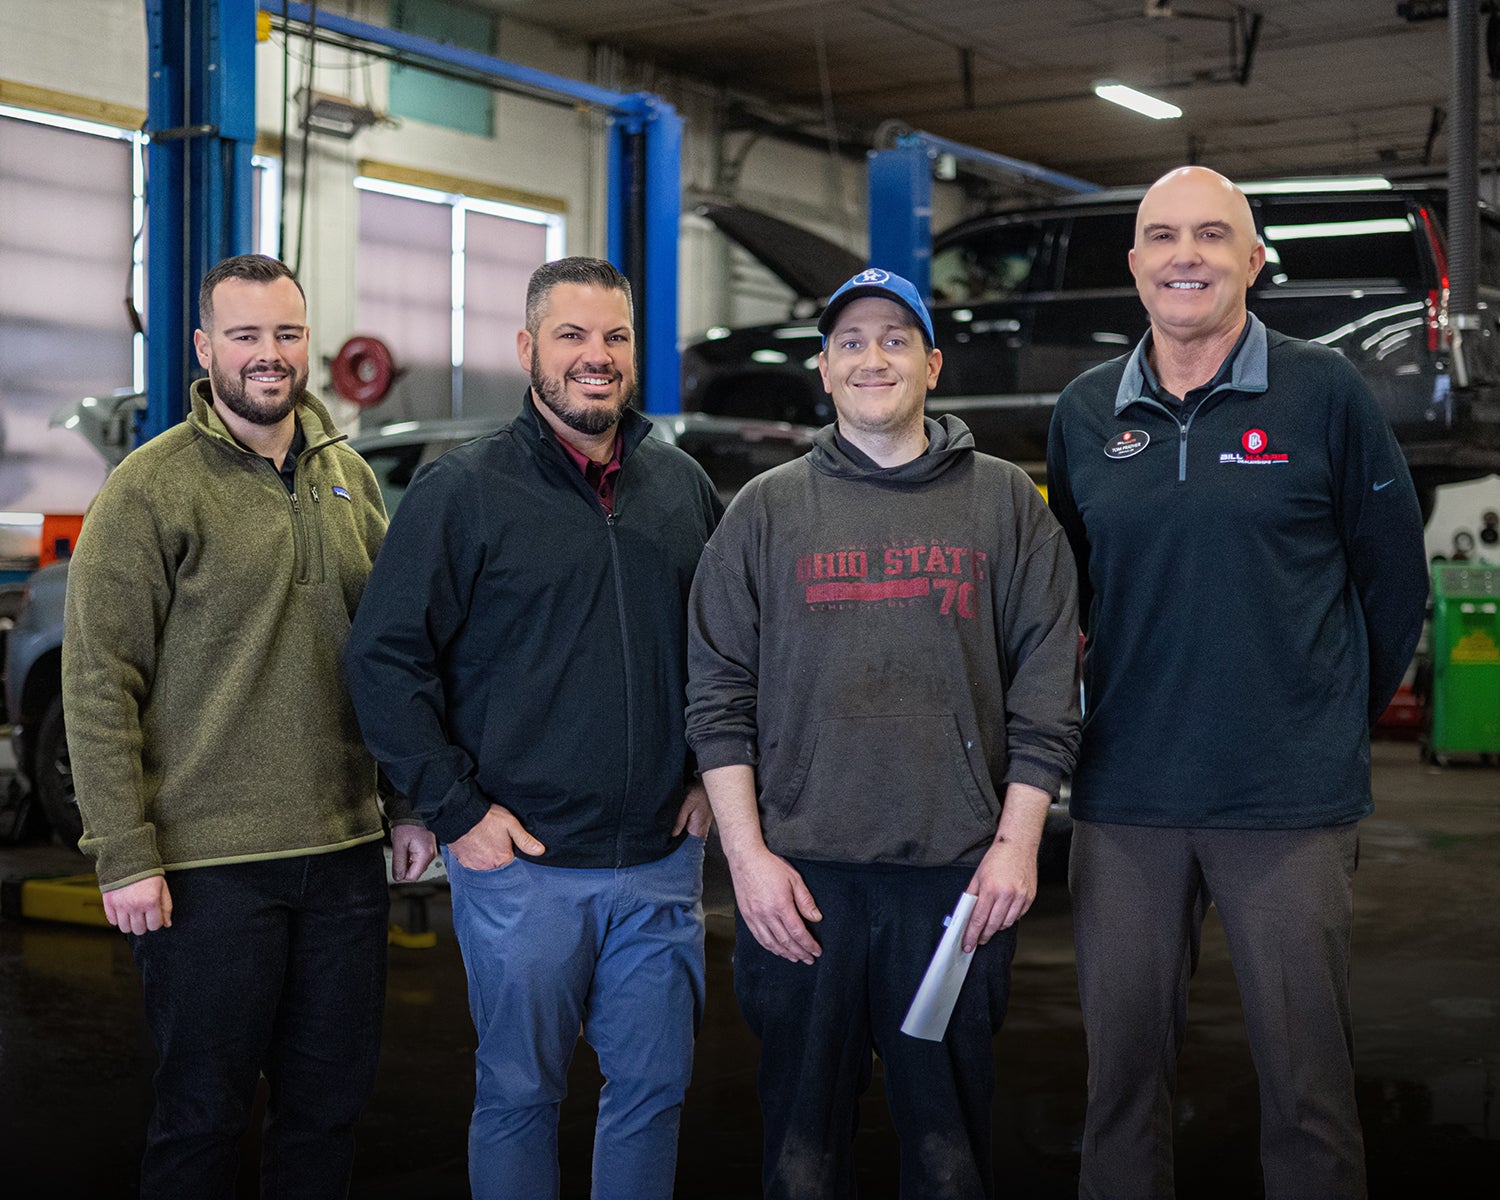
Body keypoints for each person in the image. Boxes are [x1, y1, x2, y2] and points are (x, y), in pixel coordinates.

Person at [1046, 167, 1430, 1200]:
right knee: (1120, 1088)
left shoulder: (1327, 393)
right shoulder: (1085, 413)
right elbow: (1070, 594)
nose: (1187, 255)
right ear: (1133, 265)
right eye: (1163, 236)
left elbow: (1396, 580)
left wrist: (1323, 723)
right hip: (1128, 800)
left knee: (1308, 1097)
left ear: (1253, 259)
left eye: (1214, 235)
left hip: (1288, 805)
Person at [686, 267, 1082, 1200]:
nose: (874, 358)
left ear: (933, 364)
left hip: (955, 885)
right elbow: (716, 695)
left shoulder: (1009, 507)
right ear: (823, 370)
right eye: (852, 342)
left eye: (896, 339)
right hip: (801, 888)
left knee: (948, 1159)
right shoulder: (765, 511)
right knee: (799, 1158)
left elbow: (1047, 696)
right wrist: (747, 864)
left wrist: (1016, 847)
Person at [343, 257, 723, 1200]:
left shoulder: (681, 488)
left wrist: (714, 778)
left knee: (653, 1090)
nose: (596, 358)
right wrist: (456, 809)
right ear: (527, 351)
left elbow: (730, 652)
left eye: (616, 338)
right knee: (519, 1092)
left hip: (659, 861)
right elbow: (383, 660)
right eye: (572, 336)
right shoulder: (461, 491)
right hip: (522, 867)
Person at [61, 253, 436, 1199]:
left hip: (345, 856)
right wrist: (123, 852)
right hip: (207, 868)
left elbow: (390, 656)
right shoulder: (149, 490)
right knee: (200, 1117)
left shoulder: (350, 476)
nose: (269, 355)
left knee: (327, 1110)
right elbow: (100, 680)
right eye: (245, 335)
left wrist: (405, 803)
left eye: (286, 333)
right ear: (203, 348)